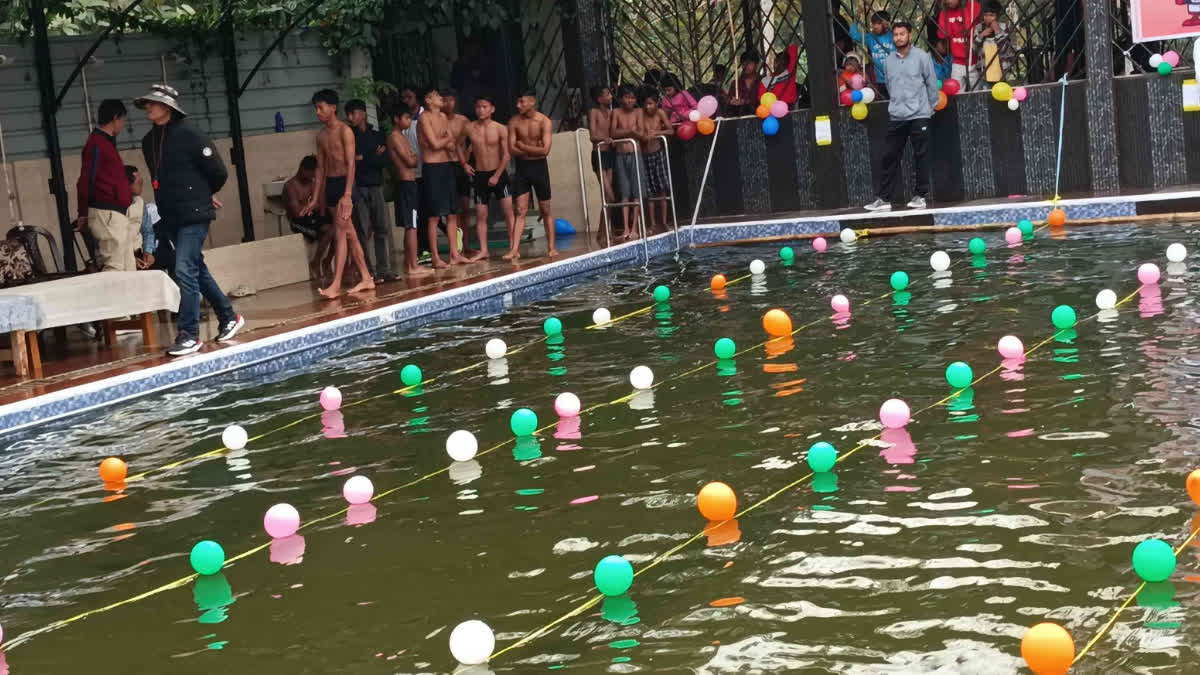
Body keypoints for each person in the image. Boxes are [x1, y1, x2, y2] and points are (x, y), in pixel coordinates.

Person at [136, 84, 243, 356]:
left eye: (154, 102)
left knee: (184, 268)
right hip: (170, 213)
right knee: (195, 267)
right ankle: (229, 316)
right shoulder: (149, 141)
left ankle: (189, 333)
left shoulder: (191, 133)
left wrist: (204, 195)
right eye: (147, 103)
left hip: (194, 213)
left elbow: (218, 171)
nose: (148, 106)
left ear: (168, 107)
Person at [303, 89, 374, 298]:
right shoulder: (321, 136)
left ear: (333, 108)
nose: (318, 112)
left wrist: (348, 194)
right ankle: (367, 277)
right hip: (332, 185)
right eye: (316, 108)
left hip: (345, 184)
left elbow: (352, 163)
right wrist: (316, 197)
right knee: (349, 234)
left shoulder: (345, 131)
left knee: (342, 233)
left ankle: (335, 284)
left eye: (321, 107)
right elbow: (321, 169)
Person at [863, 21, 939, 213]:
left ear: (910, 35)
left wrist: (930, 107)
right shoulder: (889, 61)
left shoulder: (922, 57)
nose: (898, 38)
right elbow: (889, 85)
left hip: (920, 114)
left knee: (921, 155)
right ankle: (884, 199)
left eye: (902, 34)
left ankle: (920, 196)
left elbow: (931, 84)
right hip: (897, 115)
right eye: (895, 35)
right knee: (889, 156)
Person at [77, 99, 135, 272]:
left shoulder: (104, 143)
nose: (122, 125)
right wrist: (82, 212)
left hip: (115, 212)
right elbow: (85, 179)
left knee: (127, 266)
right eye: (122, 120)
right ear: (116, 118)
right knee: (114, 265)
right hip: (106, 212)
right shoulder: (96, 143)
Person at [345, 99, 396, 283]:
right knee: (363, 230)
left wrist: (365, 158)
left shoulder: (377, 135)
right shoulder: (350, 135)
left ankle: (384, 269)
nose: (351, 117)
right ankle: (369, 271)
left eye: (354, 113)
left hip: (375, 185)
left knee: (381, 227)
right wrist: (372, 157)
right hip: (359, 187)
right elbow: (353, 162)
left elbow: (385, 160)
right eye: (348, 114)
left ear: (363, 114)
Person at [462, 95, 515, 263]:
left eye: (484, 107)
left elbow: (507, 155)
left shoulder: (500, 128)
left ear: (492, 109)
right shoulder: (469, 128)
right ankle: (484, 250)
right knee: (480, 215)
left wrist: (497, 175)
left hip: (498, 173)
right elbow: (457, 144)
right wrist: (464, 163)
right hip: (480, 175)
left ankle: (514, 247)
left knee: (508, 212)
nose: (481, 110)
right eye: (478, 107)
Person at [418, 87, 466, 267]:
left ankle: (455, 254)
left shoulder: (443, 117)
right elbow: (435, 143)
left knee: (452, 213)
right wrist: (445, 140)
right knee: (434, 215)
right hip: (432, 168)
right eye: (437, 96)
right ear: (428, 100)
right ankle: (436, 257)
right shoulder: (424, 118)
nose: (441, 99)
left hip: (446, 166)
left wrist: (445, 141)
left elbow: (452, 145)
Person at [508, 90, 556, 259]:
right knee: (520, 210)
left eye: (521, 102)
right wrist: (527, 150)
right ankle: (514, 249)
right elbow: (511, 149)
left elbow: (545, 151)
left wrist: (524, 147)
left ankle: (551, 247)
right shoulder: (514, 121)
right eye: (518, 102)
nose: (518, 105)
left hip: (539, 168)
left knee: (545, 209)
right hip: (522, 168)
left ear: (532, 102)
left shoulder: (544, 121)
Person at [387, 106, 430, 278]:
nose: (408, 121)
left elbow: (412, 157)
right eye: (406, 118)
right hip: (406, 183)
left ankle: (409, 263)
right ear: (397, 119)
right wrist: (412, 156)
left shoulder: (401, 136)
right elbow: (411, 161)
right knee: (412, 226)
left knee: (410, 225)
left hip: (408, 183)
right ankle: (413, 265)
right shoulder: (395, 137)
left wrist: (412, 156)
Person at [283, 155, 334, 282]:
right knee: (329, 231)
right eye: (312, 173)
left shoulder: (312, 183)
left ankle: (326, 261)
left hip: (310, 219)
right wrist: (311, 207)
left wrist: (312, 206)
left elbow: (320, 205)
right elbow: (297, 213)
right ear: (303, 170)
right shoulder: (291, 186)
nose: (313, 177)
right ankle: (316, 262)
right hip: (297, 223)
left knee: (337, 228)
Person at [609, 85, 644, 241]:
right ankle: (626, 228)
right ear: (621, 99)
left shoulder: (639, 112)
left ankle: (635, 228)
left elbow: (642, 133)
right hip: (620, 155)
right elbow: (613, 133)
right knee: (624, 193)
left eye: (632, 97)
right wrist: (630, 131)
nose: (629, 100)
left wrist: (628, 132)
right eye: (626, 97)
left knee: (636, 193)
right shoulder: (616, 112)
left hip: (635, 154)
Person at [443, 90, 474, 256]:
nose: (448, 104)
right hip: (447, 165)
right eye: (445, 100)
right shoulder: (439, 121)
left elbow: (474, 139)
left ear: (455, 101)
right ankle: (456, 248)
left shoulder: (463, 120)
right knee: (452, 210)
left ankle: (466, 245)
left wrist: (467, 157)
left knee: (465, 208)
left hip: (462, 167)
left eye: (451, 100)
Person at [640, 89, 673, 234]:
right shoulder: (640, 114)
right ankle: (653, 224)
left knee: (662, 190)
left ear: (656, 103)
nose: (648, 107)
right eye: (646, 104)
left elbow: (671, 130)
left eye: (651, 104)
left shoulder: (660, 113)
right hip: (645, 155)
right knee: (650, 192)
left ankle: (664, 222)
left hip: (658, 154)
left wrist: (657, 133)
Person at [587, 85, 616, 241]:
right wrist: (604, 139)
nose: (610, 96)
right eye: (607, 94)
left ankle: (603, 232)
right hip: (598, 154)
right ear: (600, 99)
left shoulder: (611, 113)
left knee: (608, 197)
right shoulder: (594, 112)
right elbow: (592, 135)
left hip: (609, 154)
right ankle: (603, 232)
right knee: (610, 197)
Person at [848, 7, 895, 97]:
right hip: (880, 81)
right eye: (873, 24)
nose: (875, 26)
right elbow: (853, 34)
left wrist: (889, 26)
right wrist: (857, 17)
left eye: (878, 23)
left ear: (885, 23)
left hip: (895, 79)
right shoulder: (870, 38)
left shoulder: (893, 36)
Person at [937, 0, 981, 89]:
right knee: (956, 92)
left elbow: (971, 30)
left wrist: (964, 9)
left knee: (977, 93)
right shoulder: (944, 12)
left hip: (974, 61)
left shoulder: (972, 5)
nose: (948, 1)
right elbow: (943, 34)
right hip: (957, 61)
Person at [971, 1, 1015, 84]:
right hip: (984, 71)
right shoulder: (979, 28)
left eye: (991, 15)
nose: (988, 18)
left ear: (997, 16)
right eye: (985, 15)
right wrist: (981, 35)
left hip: (1002, 70)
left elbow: (1005, 49)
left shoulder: (1004, 27)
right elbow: (973, 50)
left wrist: (997, 31)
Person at [727, 51, 762, 116]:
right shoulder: (735, 83)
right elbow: (728, 100)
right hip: (739, 119)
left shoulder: (763, 81)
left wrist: (745, 102)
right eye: (744, 63)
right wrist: (732, 101)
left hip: (760, 118)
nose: (746, 66)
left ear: (756, 64)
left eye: (750, 63)